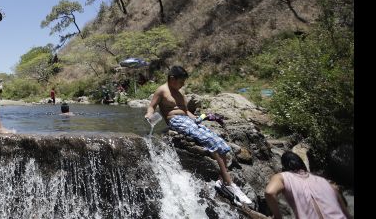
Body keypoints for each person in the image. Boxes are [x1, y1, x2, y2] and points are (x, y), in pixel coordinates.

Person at [145, 65, 254, 206]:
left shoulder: (179, 92)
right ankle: (229, 183)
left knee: (222, 144)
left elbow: (185, 111)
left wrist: (199, 118)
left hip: (188, 120)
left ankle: (222, 180)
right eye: (181, 81)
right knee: (212, 143)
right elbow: (152, 106)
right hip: (175, 121)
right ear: (172, 78)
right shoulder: (162, 90)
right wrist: (149, 114)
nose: (183, 84)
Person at [264, 151, 352, 219]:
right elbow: (347, 214)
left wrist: (278, 217)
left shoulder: (283, 177)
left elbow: (269, 192)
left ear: (284, 167)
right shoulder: (326, 182)